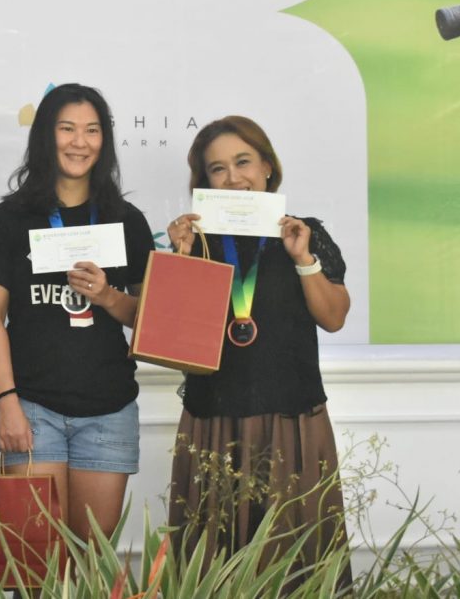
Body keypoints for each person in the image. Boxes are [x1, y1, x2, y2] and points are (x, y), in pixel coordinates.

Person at [165, 115, 351, 582]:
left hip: (291, 422)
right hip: (213, 420)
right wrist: (180, 258)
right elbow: (171, 335)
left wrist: (303, 260)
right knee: (215, 571)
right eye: (218, 168)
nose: (233, 177)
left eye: (243, 162)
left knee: (295, 568)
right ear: (204, 181)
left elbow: (334, 317)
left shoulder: (303, 234)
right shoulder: (194, 240)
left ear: (267, 166)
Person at [0, 83, 155, 543]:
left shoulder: (127, 220)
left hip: (109, 408)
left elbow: (148, 318)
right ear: (45, 136)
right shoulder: (8, 219)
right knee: (35, 555)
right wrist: (6, 401)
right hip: (31, 407)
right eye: (67, 129)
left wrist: (107, 296)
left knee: (93, 553)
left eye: (92, 130)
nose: (80, 142)